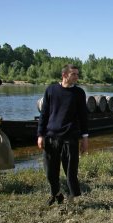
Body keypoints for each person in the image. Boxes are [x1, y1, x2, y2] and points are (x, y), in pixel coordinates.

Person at [37, 64, 88, 206]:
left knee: (71, 171)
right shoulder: (51, 90)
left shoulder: (79, 93)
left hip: (70, 137)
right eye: (74, 74)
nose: (77, 77)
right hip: (51, 137)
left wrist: (85, 138)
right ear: (64, 75)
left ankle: (73, 198)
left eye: (78, 74)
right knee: (50, 171)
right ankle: (56, 194)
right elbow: (44, 114)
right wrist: (40, 135)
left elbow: (83, 117)